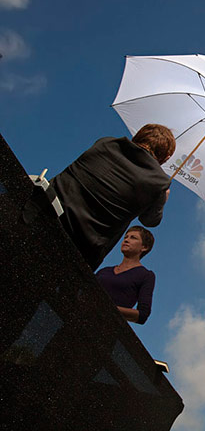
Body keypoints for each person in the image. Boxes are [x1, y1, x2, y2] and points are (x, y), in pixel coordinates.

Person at [50, 124, 175, 270]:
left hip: (44, 208)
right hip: (79, 249)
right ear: (165, 158)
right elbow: (149, 220)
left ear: (137, 136)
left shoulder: (104, 143)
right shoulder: (159, 183)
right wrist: (163, 198)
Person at [96, 226, 156, 324]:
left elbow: (142, 315)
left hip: (106, 326)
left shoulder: (146, 275)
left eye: (133, 238)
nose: (126, 240)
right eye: (125, 237)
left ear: (144, 247)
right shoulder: (104, 271)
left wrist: (107, 307)